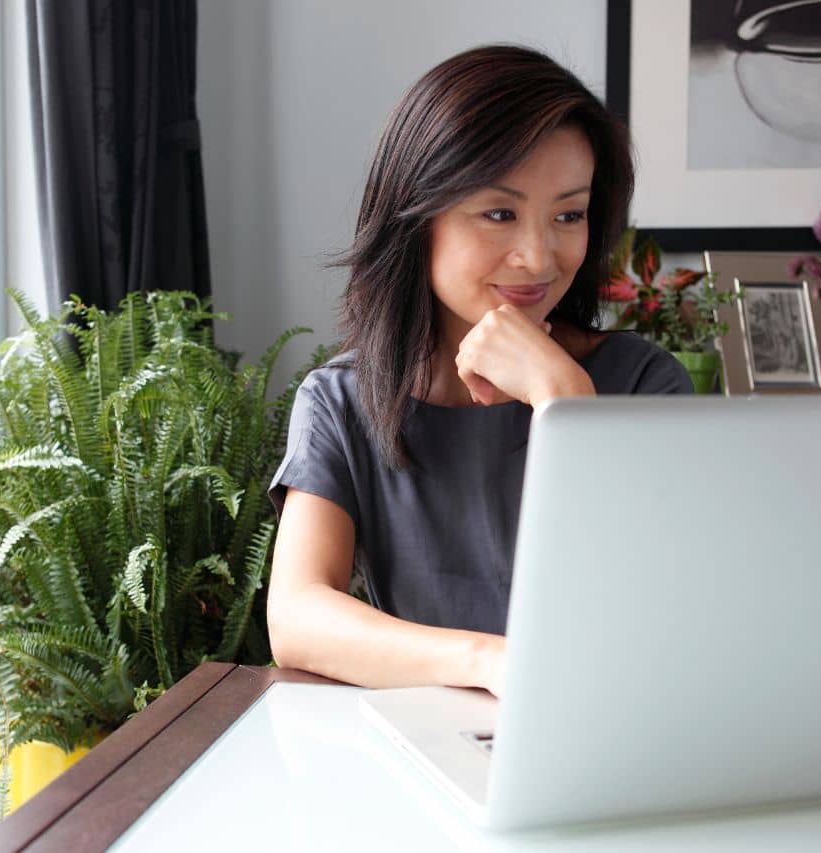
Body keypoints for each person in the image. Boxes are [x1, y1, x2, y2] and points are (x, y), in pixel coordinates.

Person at [264, 44, 691, 698]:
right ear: (418, 216)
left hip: (616, 734)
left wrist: (565, 400)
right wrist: (491, 662)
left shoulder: (641, 383)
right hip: (424, 753)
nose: (538, 255)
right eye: (500, 213)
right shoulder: (341, 401)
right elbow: (297, 617)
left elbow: (653, 613)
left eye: (569, 215)